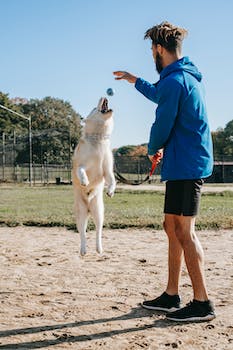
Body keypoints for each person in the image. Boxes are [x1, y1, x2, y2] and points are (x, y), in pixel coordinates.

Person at [113, 21, 216, 322]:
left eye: (151, 50)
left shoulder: (176, 81)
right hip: (181, 162)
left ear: (159, 49)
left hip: (187, 165)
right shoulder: (180, 78)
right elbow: (161, 94)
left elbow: (162, 122)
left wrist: (152, 147)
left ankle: (203, 302)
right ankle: (172, 294)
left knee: (184, 231)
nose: (151, 55)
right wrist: (135, 81)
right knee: (171, 227)